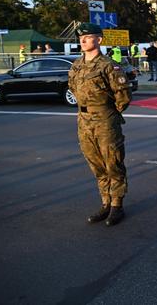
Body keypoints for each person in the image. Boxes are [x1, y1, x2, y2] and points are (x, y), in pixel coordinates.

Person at [68, 23, 132, 226]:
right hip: (84, 121)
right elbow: (72, 87)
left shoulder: (108, 65)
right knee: (96, 165)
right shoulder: (76, 65)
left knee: (113, 162)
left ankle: (116, 206)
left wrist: (108, 113)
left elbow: (123, 97)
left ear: (99, 40)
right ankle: (105, 203)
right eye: (81, 38)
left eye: (87, 37)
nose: (83, 40)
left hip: (105, 120)